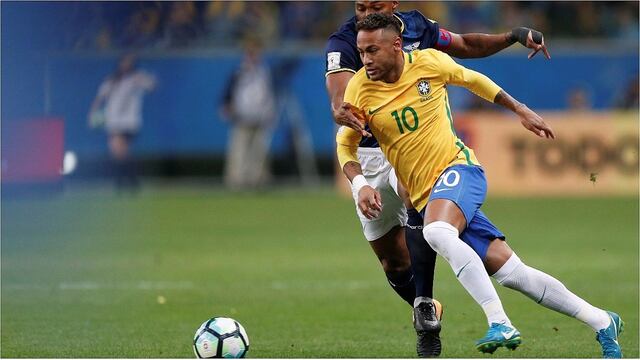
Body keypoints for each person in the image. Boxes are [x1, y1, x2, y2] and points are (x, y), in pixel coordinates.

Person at [337, 13, 624, 358]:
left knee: (437, 232)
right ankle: (602, 321)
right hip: (428, 194)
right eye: (361, 51)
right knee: (514, 273)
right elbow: (345, 144)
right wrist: (360, 185)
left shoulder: (429, 63)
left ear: (396, 45)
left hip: (460, 170)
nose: (366, 60)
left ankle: (499, 321)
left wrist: (520, 109)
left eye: (373, 50)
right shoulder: (359, 88)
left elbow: (475, 81)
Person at [325, 1, 550, 357]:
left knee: (420, 199)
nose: (365, 13)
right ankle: (424, 305)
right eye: (360, 5)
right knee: (393, 262)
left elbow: (464, 46)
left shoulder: (415, 27)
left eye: (374, 5)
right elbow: (340, 103)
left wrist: (511, 35)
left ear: (393, 4)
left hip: (409, 150)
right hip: (367, 154)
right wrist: (344, 112)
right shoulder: (346, 42)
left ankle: (428, 312)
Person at [88, 53, 156, 193]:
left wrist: (144, 78)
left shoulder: (136, 78)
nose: (126, 65)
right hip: (113, 121)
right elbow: (100, 98)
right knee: (119, 153)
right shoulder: (112, 81)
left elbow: (152, 86)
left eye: (129, 62)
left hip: (129, 122)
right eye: (124, 61)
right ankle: (130, 182)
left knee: (118, 149)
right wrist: (92, 114)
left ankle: (123, 182)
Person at [220, 37, 276, 190]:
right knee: (240, 149)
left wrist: (270, 111)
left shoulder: (264, 71)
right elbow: (229, 91)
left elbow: (268, 93)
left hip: (260, 115)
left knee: (259, 151)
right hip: (242, 115)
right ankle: (237, 181)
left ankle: (257, 181)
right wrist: (226, 105)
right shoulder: (239, 71)